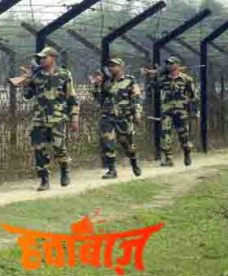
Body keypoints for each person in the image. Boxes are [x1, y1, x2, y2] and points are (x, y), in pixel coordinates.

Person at [20, 47, 80, 191]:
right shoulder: (36, 75)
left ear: (53, 58)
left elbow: (72, 97)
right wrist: (26, 81)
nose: (41, 60)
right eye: (40, 58)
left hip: (57, 117)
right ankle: (44, 180)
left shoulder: (64, 75)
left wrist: (74, 118)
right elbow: (28, 96)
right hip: (39, 118)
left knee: (58, 146)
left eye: (44, 57)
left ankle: (64, 168)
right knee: (39, 149)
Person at [90, 57, 143, 179]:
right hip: (108, 116)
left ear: (121, 67)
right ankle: (112, 170)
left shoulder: (130, 80)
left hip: (124, 117)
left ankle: (134, 161)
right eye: (110, 66)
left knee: (127, 144)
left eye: (114, 65)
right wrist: (97, 85)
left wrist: (137, 113)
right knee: (108, 142)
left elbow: (136, 98)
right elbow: (99, 99)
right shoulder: (106, 82)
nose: (111, 68)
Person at [146, 56, 199, 166]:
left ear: (177, 65)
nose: (168, 65)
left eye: (171, 63)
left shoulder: (186, 79)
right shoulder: (164, 80)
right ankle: (168, 158)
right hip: (167, 111)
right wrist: (152, 76)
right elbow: (152, 87)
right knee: (165, 134)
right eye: (167, 64)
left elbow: (193, 96)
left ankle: (187, 152)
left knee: (183, 135)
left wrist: (195, 111)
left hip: (181, 112)